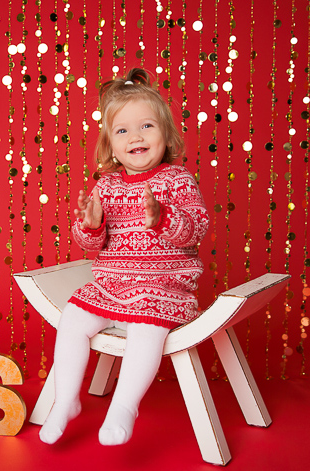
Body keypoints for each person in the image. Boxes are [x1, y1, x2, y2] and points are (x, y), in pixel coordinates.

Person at [39, 68, 209, 446]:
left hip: (163, 288)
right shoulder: (108, 185)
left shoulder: (176, 181)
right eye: (123, 131)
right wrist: (91, 224)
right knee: (73, 318)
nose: (136, 136)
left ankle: (124, 406)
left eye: (147, 126)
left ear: (166, 136)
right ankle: (65, 400)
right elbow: (89, 245)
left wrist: (162, 218)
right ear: (110, 147)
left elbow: (196, 229)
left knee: (146, 328)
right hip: (112, 284)